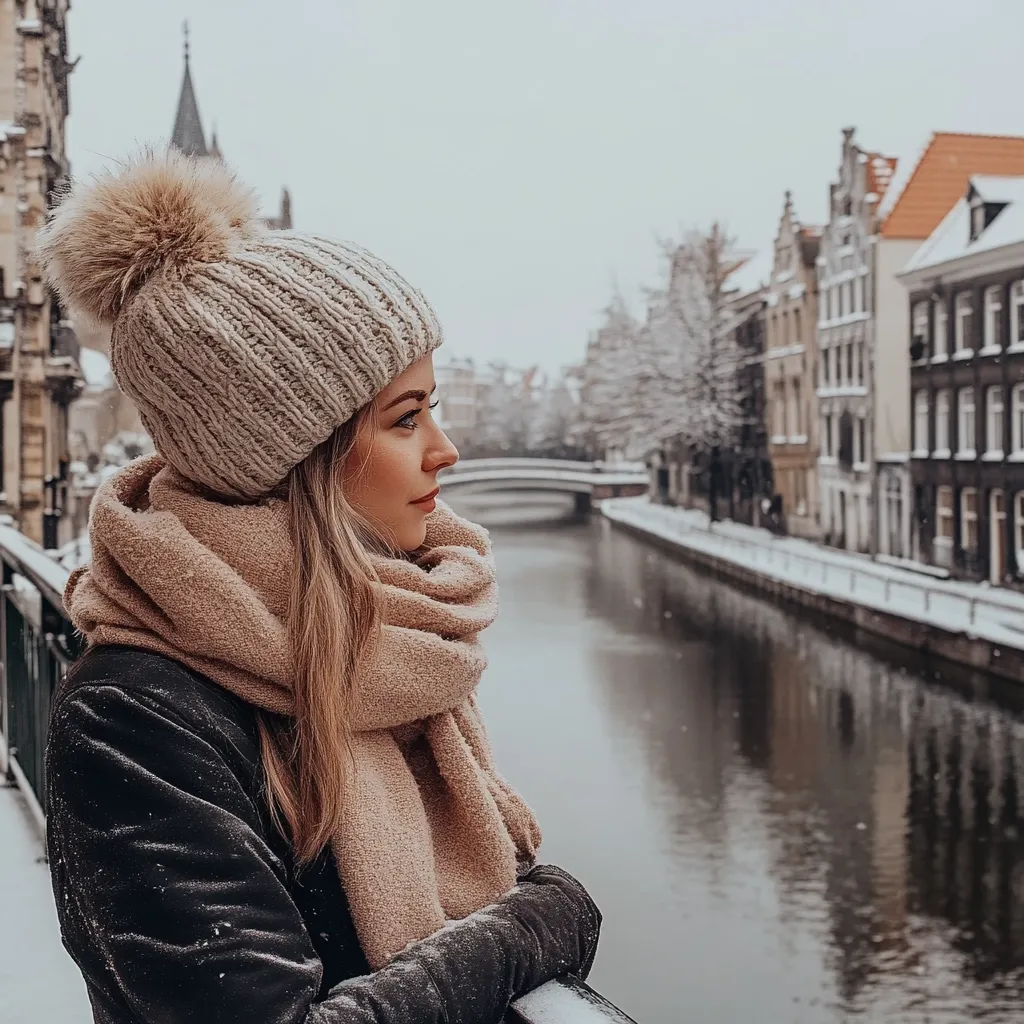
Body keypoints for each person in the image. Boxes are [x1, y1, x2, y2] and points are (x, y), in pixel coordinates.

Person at [40, 151, 601, 1024]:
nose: (445, 451)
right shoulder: (133, 721)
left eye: (434, 408)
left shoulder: (393, 646)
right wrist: (541, 918)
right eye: (406, 418)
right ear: (291, 458)